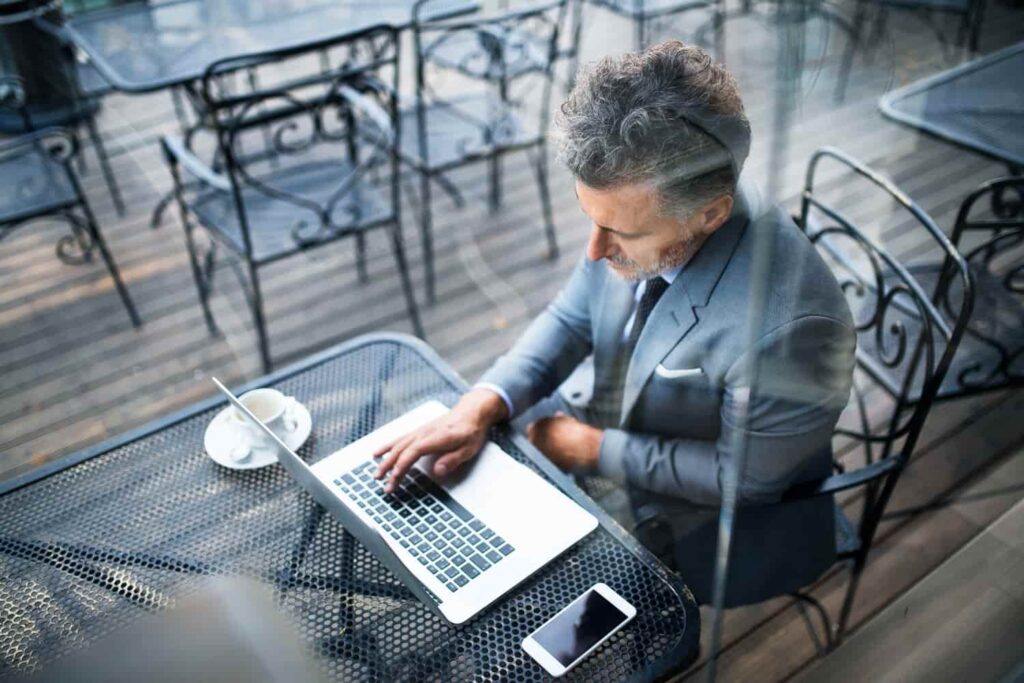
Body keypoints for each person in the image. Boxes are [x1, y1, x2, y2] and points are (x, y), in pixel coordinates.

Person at [374, 41, 856, 606]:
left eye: (621, 234)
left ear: (711, 214)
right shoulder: (642, 207)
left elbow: (744, 481)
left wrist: (592, 448)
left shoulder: (789, 332)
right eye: (589, 220)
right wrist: (482, 403)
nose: (596, 251)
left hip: (705, 525)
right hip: (614, 420)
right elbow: (572, 315)